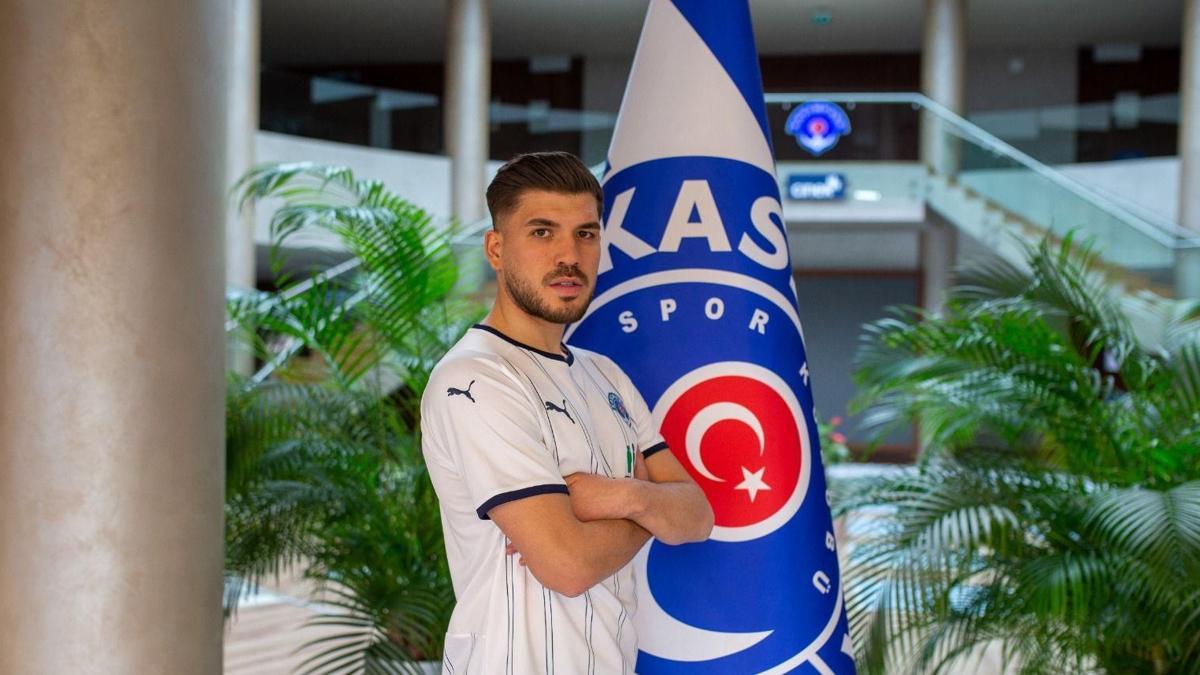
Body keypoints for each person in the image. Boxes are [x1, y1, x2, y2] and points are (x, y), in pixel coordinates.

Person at [421, 151, 714, 674]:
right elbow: (568, 566)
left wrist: (621, 497)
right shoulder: (476, 378)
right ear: (496, 248)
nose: (569, 256)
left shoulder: (605, 375)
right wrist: (652, 510)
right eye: (542, 232)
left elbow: (697, 516)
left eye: (585, 234)